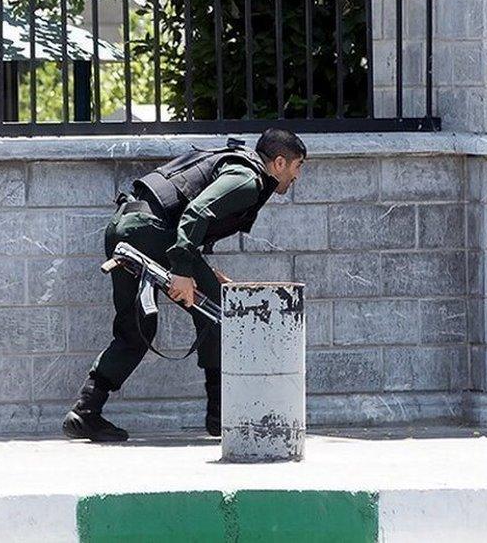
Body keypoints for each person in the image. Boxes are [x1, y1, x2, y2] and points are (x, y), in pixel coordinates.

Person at [62, 128, 306, 442]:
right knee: (219, 312)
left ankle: (85, 411)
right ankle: (221, 417)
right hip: (150, 233)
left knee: (136, 327)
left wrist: (199, 268)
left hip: (125, 227)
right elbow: (195, 213)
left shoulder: (238, 166)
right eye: (298, 166)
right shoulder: (248, 180)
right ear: (280, 162)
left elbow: (186, 212)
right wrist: (181, 268)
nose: (297, 176)